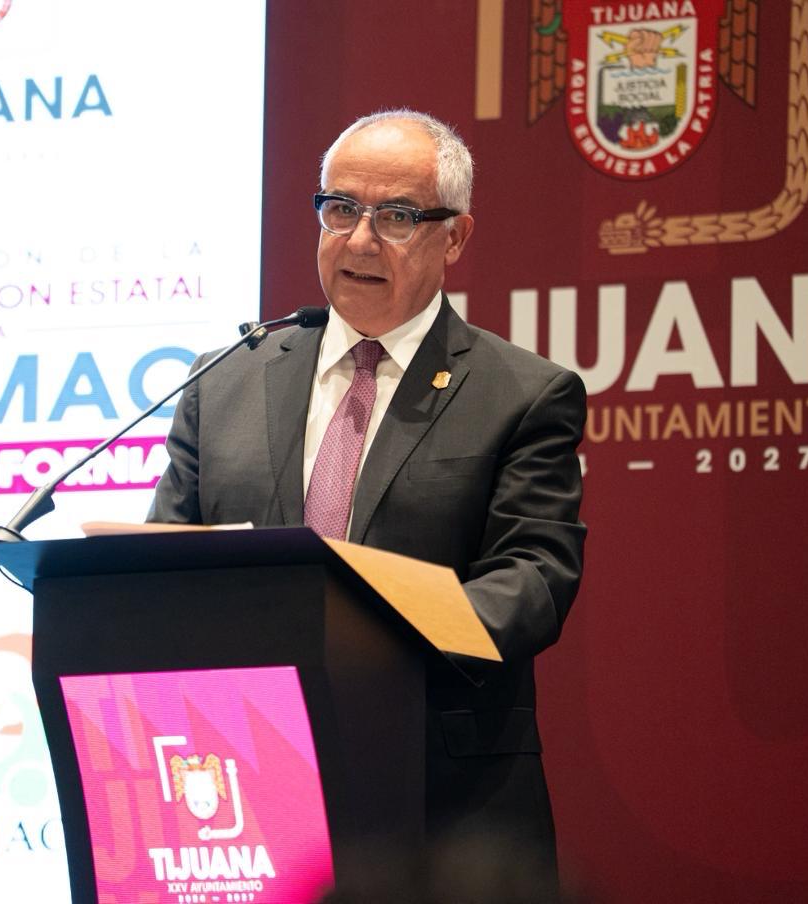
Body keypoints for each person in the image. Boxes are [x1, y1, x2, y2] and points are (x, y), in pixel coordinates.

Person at [149, 109, 586, 899]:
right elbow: (168, 562)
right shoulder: (225, 380)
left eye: (397, 217)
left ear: (455, 237)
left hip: (440, 803)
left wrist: (370, 641)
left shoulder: (521, 394)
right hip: (244, 783)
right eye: (341, 209)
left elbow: (534, 579)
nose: (358, 240)